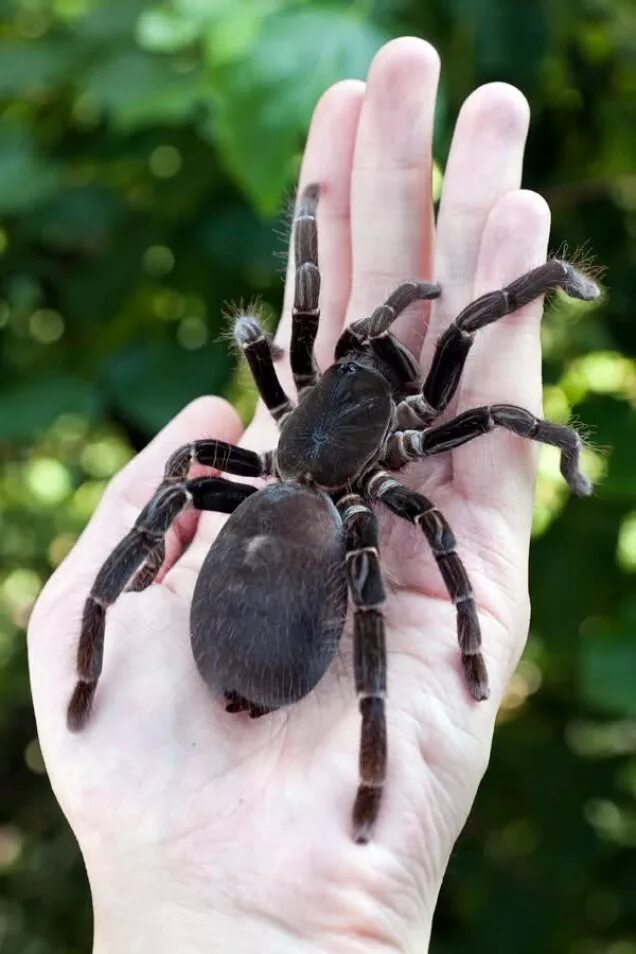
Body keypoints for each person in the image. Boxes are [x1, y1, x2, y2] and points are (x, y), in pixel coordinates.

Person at [29, 36, 554, 953]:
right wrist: (467, 612)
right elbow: (464, 461)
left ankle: (351, 766)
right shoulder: (393, 467)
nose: (368, 351)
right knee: (404, 527)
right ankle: (367, 770)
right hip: (307, 530)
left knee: (194, 462)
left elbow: (257, 352)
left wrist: (312, 227)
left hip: (278, 513)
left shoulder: (270, 423)